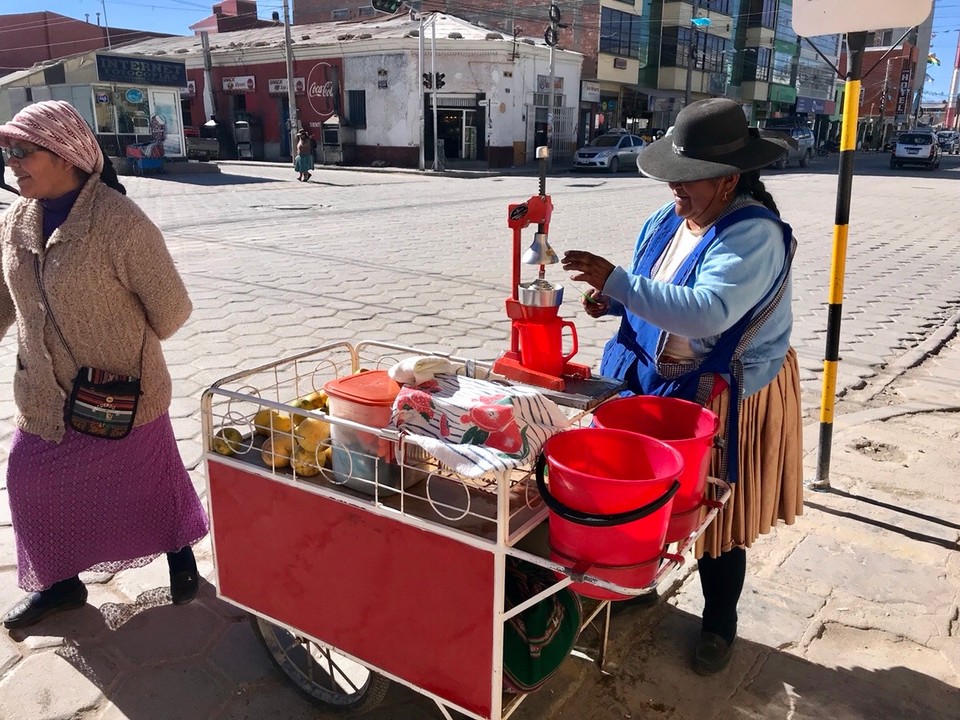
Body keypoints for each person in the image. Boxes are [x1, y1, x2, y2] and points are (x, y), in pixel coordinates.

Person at [562, 98, 803, 676]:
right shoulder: (666, 220)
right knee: (644, 501)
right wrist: (614, 297)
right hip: (652, 383)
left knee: (718, 515)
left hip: (721, 394)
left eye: (688, 179)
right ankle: (639, 582)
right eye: (673, 175)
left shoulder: (754, 235)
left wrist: (618, 280)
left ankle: (720, 621)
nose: (675, 188)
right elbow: (651, 286)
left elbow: (706, 312)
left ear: (727, 180)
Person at [0, 100, 208, 630]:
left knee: (151, 485)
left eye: (23, 151)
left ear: (66, 154)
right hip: (44, 394)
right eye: (7, 152)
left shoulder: (119, 223)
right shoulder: (13, 223)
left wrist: (113, 332)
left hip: (118, 394)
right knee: (29, 483)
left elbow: (171, 311)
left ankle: (180, 556)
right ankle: (61, 585)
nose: (12, 162)